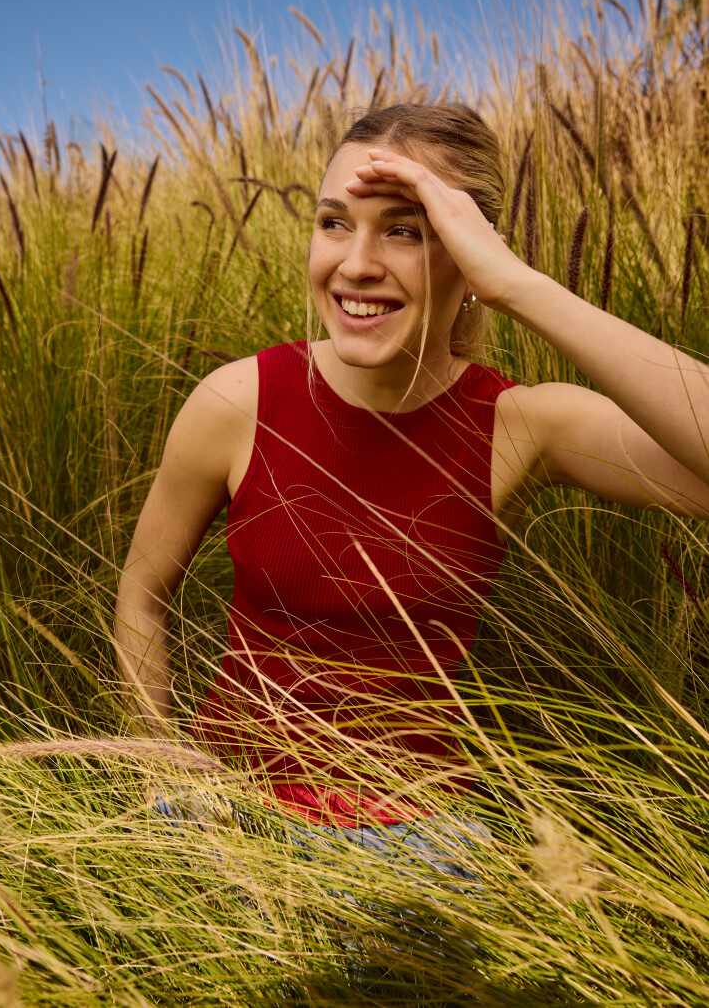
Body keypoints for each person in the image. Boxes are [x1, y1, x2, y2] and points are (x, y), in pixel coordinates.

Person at [114, 102, 709, 858]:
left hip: (416, 837)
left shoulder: (520, 426)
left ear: (470, 251)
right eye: (334, 222)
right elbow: (141, 591)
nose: (356, 262)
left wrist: (515, 284)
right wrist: (158, 762)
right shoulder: (239, 401)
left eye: (406, 228)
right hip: (227, 814)